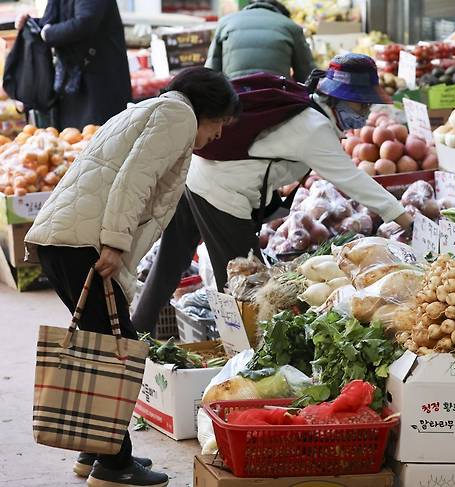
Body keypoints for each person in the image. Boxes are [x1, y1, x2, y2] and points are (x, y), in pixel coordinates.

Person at [24, 67, 240, 487]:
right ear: (207, 109)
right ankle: (114, 464)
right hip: (84, 243)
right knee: (117, 347)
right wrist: (115, 242)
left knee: (104, 344)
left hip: (67, 239)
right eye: (220, 123)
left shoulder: (151, 110)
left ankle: (97, 449)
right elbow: (134, 179)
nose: (218, 134)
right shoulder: (178, 118)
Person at [131, 53, 413, 332]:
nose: (363, 114)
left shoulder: (305, 107)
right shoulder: (315, 129)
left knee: (169, 263)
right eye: (359, 104)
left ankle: (136, 334)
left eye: (366, 107)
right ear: (338, 98)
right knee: (245, 285)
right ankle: (244, 357)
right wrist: (405, 220)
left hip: (197, 177)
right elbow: (353, 180)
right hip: (222, 193)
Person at [15, 0, 132, 130]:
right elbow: (54, 20)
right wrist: (32, 24)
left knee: (97, 138)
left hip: (97, 83)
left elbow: (85, 22)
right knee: (72, 139)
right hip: (73, 82)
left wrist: (47, 33)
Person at [206, 0, 315, 82]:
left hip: (235, 95)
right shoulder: (291, 26)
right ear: (283, 15)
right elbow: (306, 74)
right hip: (276, 95)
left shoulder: (225, 22)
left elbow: (211, 71)